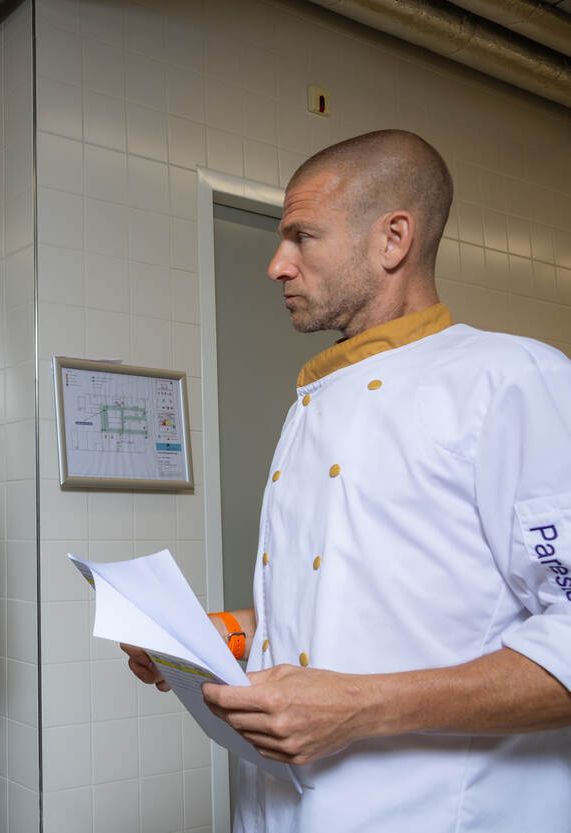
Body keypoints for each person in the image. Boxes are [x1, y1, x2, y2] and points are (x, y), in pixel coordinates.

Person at [122, 129, 571, 832]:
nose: (276, 264)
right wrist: (226, 637)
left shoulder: (512, 381)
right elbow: (352, 608)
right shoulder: (313, 401)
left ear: (392, 239)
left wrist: (360, 705)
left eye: (302, 237)